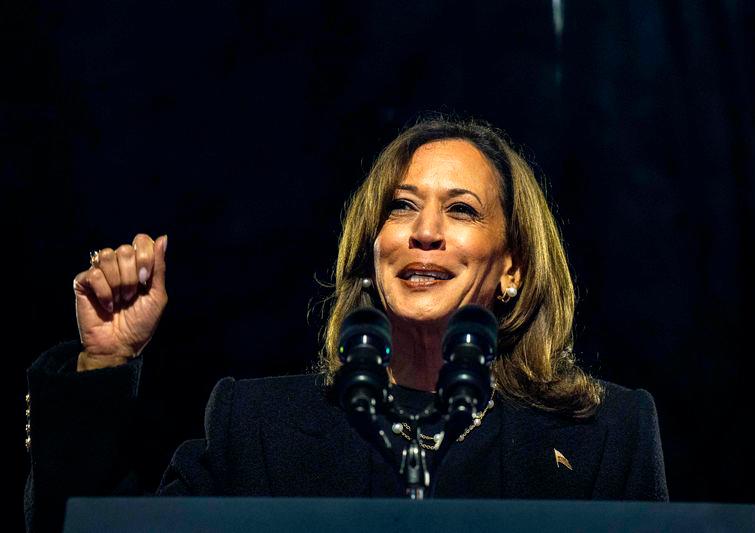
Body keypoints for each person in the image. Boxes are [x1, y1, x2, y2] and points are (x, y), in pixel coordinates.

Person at [24, 117, 668, 533]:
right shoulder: (257, 429)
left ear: (512, 270)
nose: (424, 232)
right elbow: (87, 530)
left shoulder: (606, 439)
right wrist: (105, 362)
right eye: (402, 207)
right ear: (372, 249)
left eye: (462, 210)